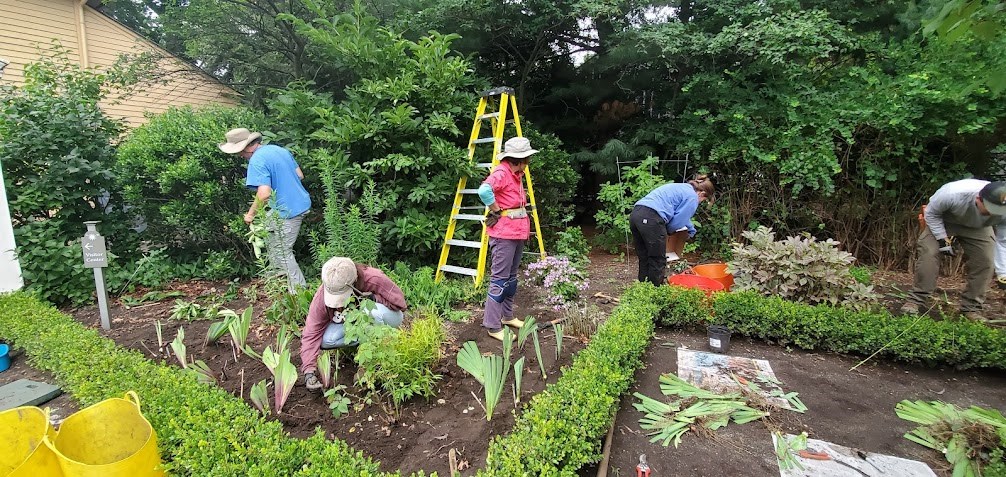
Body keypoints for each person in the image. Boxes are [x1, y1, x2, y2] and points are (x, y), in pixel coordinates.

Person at [900, 179, 1006, 321]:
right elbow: (931, 214)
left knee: (986, 260)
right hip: (944, 219)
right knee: (929, 254)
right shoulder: (952, 194)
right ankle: (916, 300)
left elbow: (1003, 241)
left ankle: (971, 308)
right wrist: (942, 240)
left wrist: (1003, 273)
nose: (993, 214)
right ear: (979, 199)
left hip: (979, 227)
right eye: (990, 208)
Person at [219, 128, 311, 292]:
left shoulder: (257, 160)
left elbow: (264, 195)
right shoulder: (279, 150)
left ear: (247, 147)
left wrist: (250, 214)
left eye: (239, 152)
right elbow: (300, 175)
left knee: (283, 252)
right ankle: (280, 282)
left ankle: (300, 293)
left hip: (288, 212)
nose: (239, 156)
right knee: (269, 238)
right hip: (296, 204)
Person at [299, 257, 407, 391]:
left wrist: (373, 299)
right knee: (327, 340)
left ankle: (373, 359)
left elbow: (400, 303)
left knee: (369, 310)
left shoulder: (373, 278)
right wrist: (309, 371)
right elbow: (311, 331)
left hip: (389, 318)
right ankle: (363, 346)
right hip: (356, 325)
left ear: (354, 281)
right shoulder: (323, 294)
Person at [477, 137, 537, 341]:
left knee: (511, 278)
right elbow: (484, 190)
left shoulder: (517, 174)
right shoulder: (502, 172)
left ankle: (507, 317)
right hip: (504, 234)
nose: (528, 162)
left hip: (517, 231)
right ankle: (493, 326)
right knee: (500, 279)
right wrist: (495, 208)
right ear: (519, 159)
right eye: (527, 158)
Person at [629, 174, 715, 286]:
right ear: (702, 194)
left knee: (645, 256)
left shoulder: (682, 188)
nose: (700, 203)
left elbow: (681, 214)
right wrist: (668, 232)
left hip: (636, 214)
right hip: (652, 217)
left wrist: (690, 229)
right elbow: (677, 222)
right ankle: (655, 291)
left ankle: (643, 288)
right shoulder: (693, 197)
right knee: (658, 259)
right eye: (703, 200)